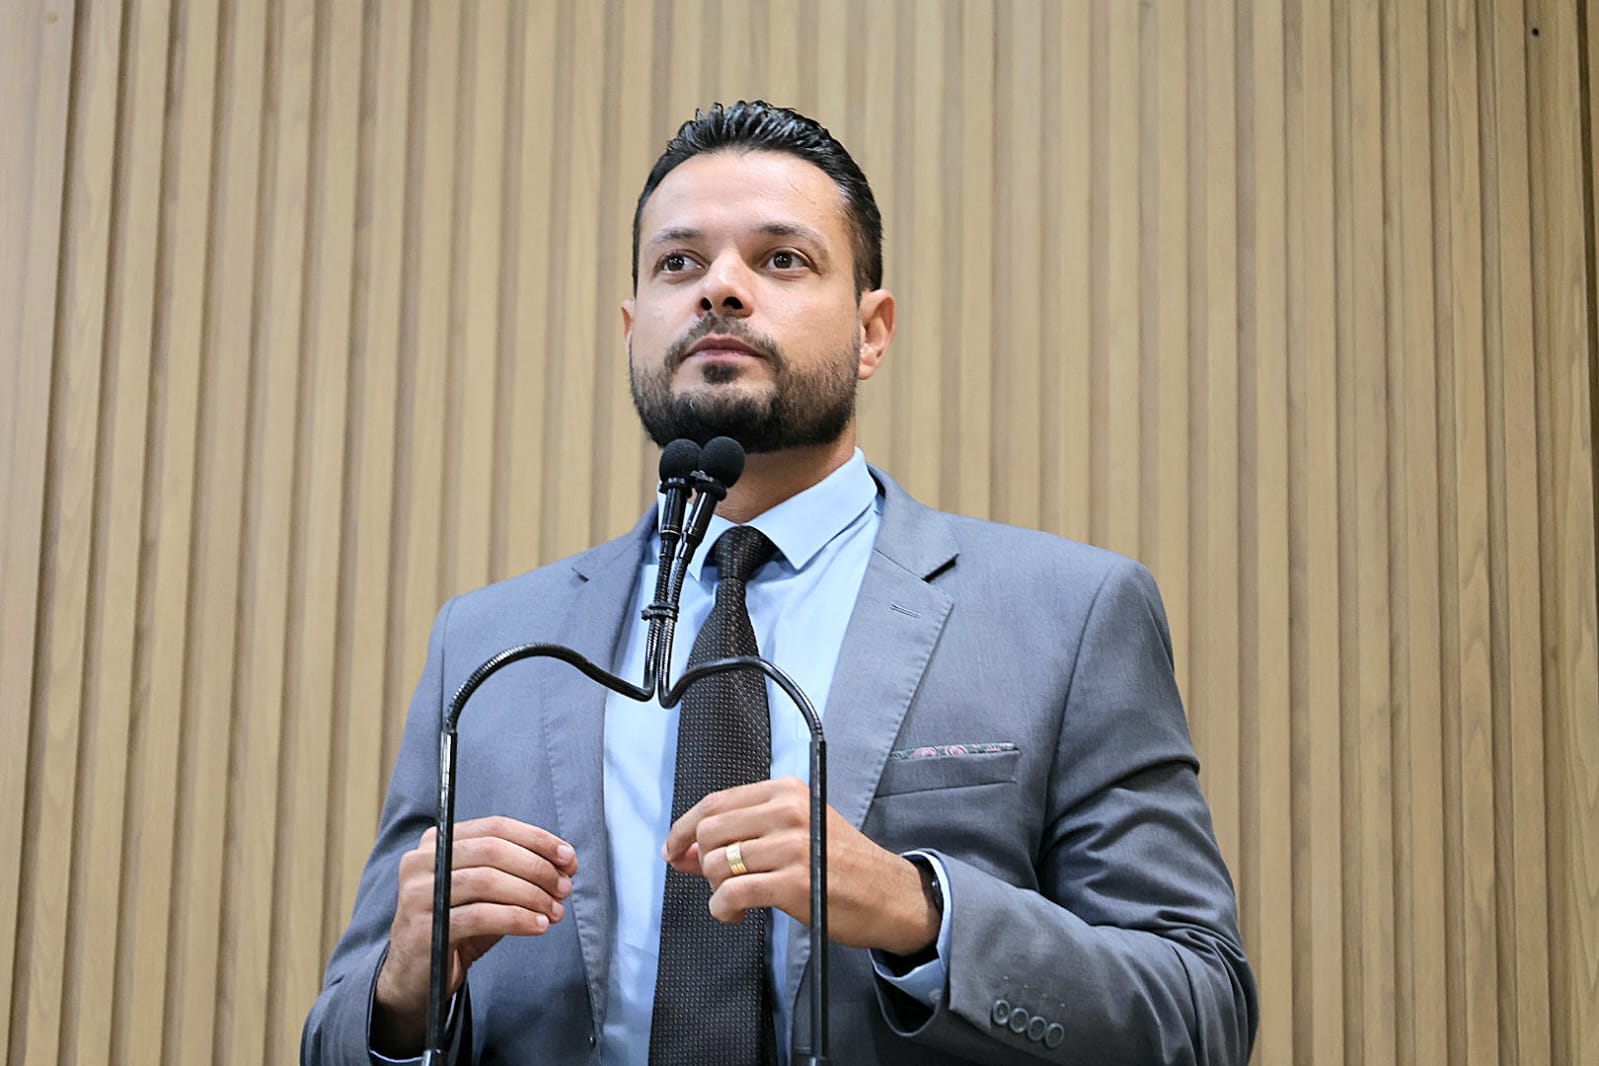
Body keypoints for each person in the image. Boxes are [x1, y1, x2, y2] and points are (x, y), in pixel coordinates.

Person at [303, 101, 1257, 1066]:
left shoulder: (1070, 614)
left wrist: (918, 911)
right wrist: (402, 994)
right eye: (678, 263)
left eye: (781, 259)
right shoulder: (486, 644)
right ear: (632, 330)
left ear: (872, 331)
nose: (719, 288)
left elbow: (1200, 1010)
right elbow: (337, 1037)